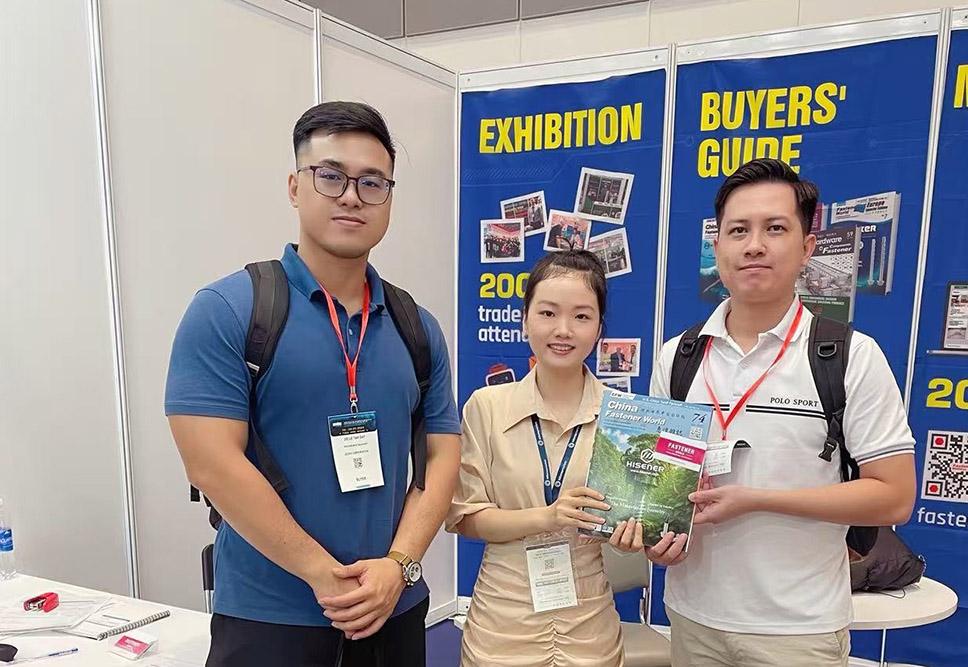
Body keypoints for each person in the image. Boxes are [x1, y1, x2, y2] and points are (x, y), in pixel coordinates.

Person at [165, 101, 461, 667]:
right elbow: (211, 464)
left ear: (389, 198)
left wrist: (399, 566)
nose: (351, 196)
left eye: (372, 182)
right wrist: (322, 574)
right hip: (271, 618)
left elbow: (442, 455)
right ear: (295, 187)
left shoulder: (416, 327)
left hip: (393, 609)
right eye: (331, 176)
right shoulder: (230, 310)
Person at [648, 158, 916, 667]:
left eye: (775, 228)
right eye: (738, 231)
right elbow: (662, 491)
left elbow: (894, 497)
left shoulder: (849, 356)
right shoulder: (678, 357)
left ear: (807, 248)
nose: (754, 245)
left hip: (798, 631)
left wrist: (757, 500)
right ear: (717, 248)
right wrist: (656, 539)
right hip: (691, 618)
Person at [448, 250, 645, 666]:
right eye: (548, 313)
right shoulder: (486, 406)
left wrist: (631, 538)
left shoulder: (626, 417)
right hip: (503, 619)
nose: (563, 330)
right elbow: (466, 518)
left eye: (581, 316)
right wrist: (548, 517)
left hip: (588, 623)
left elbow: (636, 518)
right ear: (524, 320)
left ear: (599, 328)